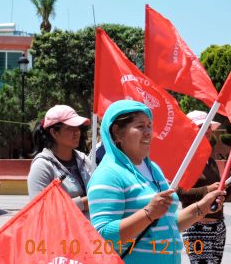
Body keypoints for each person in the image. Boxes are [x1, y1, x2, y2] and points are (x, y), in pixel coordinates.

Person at [88, 100, 225, 263]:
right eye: (140, 126)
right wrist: (148, 213)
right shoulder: (108, 174)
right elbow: (102, 237)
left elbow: (166, 224)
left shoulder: (153, 169)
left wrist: (201, 208)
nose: (148, 132)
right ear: (117, 132)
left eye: (149, 125)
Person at [176, 110, 229, 264]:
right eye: (201, 127)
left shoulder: (210, 159)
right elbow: (179, 193)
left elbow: (220, 191)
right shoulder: (184, 159)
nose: (206, 132)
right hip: (196, 227)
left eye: (207, 128)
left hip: (218, 226)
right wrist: (208, 190)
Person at [27, 105, 92, 216]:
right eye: (70, 128)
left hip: (88, 232)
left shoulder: (83, 159)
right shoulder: (42, 166)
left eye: (78, 127)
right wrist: (83, 203)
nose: (77, 132)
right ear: (54, 132)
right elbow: (40, 210)